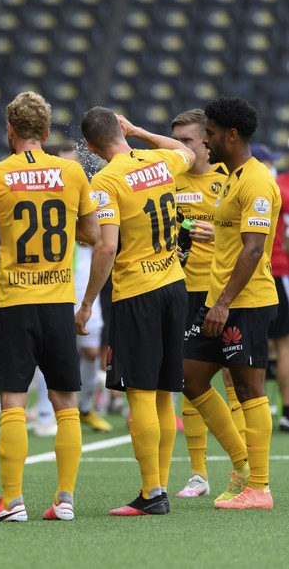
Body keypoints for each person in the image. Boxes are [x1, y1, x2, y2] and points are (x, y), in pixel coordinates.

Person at [0, 92, 99, 523]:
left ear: (10, 130)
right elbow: (93, 234)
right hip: (59, 301)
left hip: (15, 302)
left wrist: (1, 239)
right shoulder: (71, 171)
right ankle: (65, 500)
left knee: (14, 404)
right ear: (45, 134)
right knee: (66, 403)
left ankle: (12, 503)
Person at [76, 106, 195, 516]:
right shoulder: (160, 159)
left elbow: (107, 245)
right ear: (122, 131)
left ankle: (152, 494)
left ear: (91, 147)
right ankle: (158, 487)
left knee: (141, 393)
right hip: (174, 285)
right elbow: (188, 152)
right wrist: (140, 131)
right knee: (163, 392)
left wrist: (88, 300)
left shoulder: (105, 179)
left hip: (137, 292)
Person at [182, 97, 279, 510]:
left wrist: (221, 304)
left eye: (211, 133)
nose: (206, 140)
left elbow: (253, 250)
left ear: (231, 135)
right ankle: (241, 463)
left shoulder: (257, 182)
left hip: (247, 300)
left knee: (249, 387)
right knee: (190, 377)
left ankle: (258, 485)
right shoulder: (232, 177)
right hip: (220, 298)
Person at [168, 109, 241, 499]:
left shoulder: (227, 179)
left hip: (222, 291)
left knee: (234, 377)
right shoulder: (169, 179)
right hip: (181, 290)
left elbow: (253, 231)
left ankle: (241, 469)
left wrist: (222, 231)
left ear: (207, 140)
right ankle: (198, 473)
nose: (181, 148)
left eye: (189, 141)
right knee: (188, 381)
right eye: (175, 140)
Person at [52, 141, 113, 434]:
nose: (73, 168)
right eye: (67, 163)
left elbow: (98, 235)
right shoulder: (47, 197)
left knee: (90, 352)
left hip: (87, 282)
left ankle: (87, 407)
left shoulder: (87, 193)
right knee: (54, 349)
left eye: (75, 163)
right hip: (57, 280)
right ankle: (47, 412)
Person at [270, 147, 289, 433]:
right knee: (284, 344)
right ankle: (286, 410)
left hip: (268, 268)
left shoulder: (278, 185)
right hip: (281, 271)